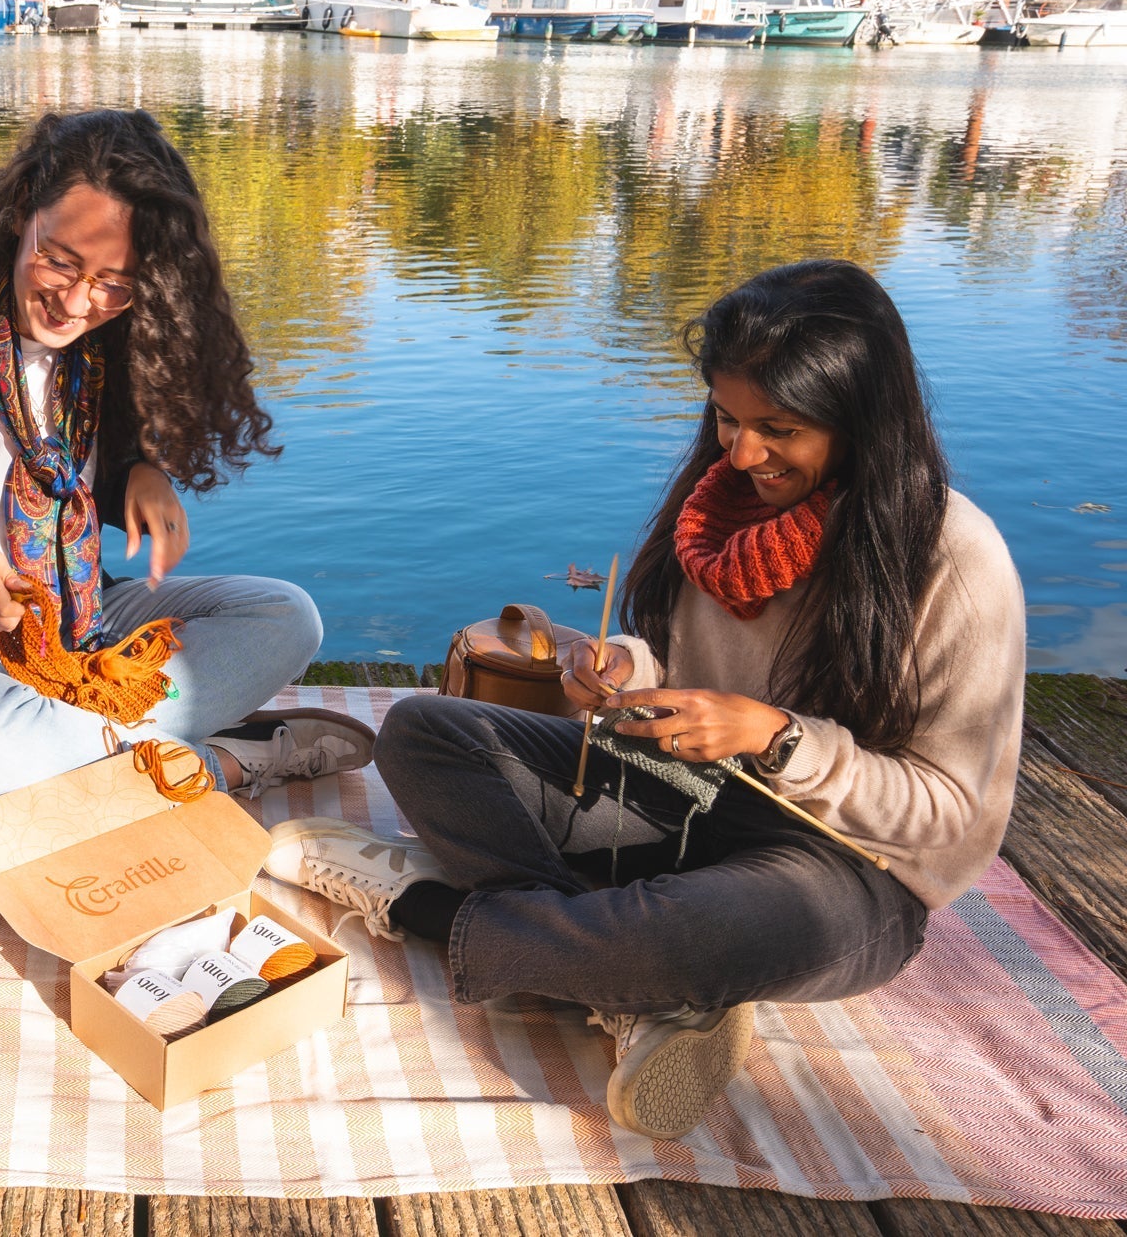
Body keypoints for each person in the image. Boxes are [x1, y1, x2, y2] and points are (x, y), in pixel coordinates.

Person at [266, 260, 1027, 1141]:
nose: (741, 454)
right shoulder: (718, 515)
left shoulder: (956, 561)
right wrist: (621, 669)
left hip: (848, 869)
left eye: (779, 429)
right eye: (727, 417)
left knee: (691, 935)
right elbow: (678, 663)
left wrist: (779, 739)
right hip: (689, 795)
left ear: (863, 419)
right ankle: (632, 986)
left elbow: (950, 815)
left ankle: (423, 905)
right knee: (423, 731)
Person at [0, 108, 372, 807]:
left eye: (113, 282)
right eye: (59, 260)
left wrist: (137, 474)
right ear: (18, 213)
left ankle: (91, 754)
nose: (76, 301)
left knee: (288, 617)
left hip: (76, 631)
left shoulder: (100, 337)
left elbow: (86, 465)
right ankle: (217, 763)